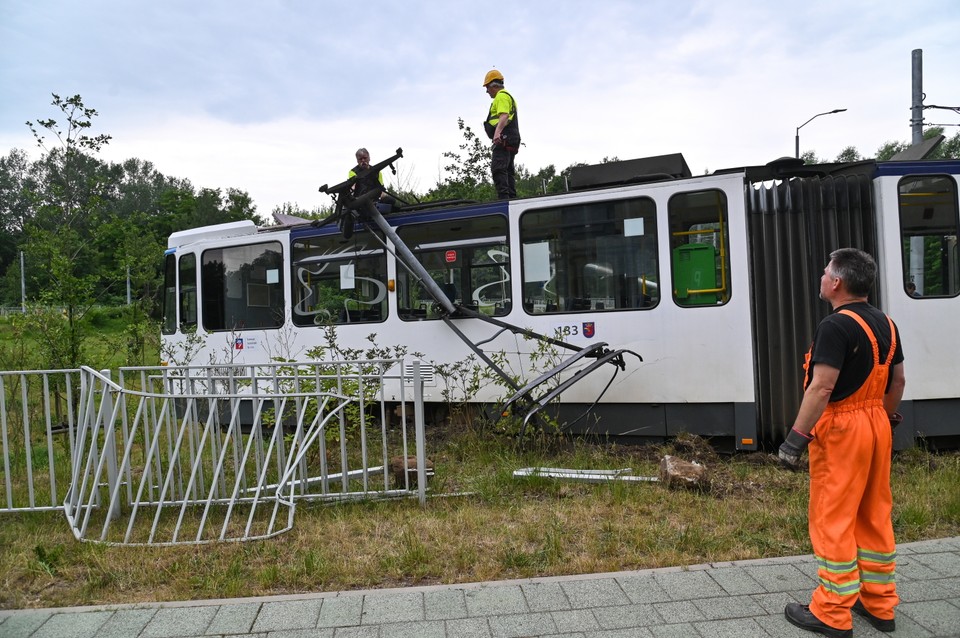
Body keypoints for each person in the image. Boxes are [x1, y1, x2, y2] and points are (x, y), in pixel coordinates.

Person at [779, 248, 905, 638]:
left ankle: (832, 612)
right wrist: (884, 419)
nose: (820, 277)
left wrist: (795, 440)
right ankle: (880, 604)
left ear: (837, 282)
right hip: (877, 423)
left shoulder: (835, 326)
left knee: (833, 517)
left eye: (824, 272)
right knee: (873, 512)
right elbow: (897, 382)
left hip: (843, 429)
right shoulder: (887, 324)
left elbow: (822, 387)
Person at [482, 69, 521, 200]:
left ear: (493, 85)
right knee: (508, 171)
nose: (487, 91)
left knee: (498, 169)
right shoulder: (508, 97)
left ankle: (504, 201)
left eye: (487, 87)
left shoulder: (501, 96)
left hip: (503, 139)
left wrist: (497, 134)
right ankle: (511, 199)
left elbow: (504, 116)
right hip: (510, 139)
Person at [348, 148, 393, 212]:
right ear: (357, 161)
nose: (363, 160)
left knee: (390, 200)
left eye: (365, 158)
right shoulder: (353, 172)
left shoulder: (377, 171)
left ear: (369, 158)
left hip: (376, 199)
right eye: (360, 159)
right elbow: (352, 187)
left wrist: (383, 194)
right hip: (361, 200)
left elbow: (382, 189)